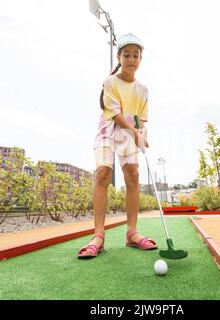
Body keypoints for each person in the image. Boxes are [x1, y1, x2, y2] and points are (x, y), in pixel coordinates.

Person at [78, 33, 158, 259]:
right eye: (127, 55)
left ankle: (132, 233)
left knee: (133, 175)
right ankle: (98, 236)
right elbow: (113, 114)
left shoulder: (143, 90)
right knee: (103, 173)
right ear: (119, 57)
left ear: (140, 59)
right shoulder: (110, 82)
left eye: (136, 55)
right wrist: (134, 131)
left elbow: (141, 119)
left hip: (129, 132)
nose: (131, 59)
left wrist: (142, 132)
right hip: (109, 129)